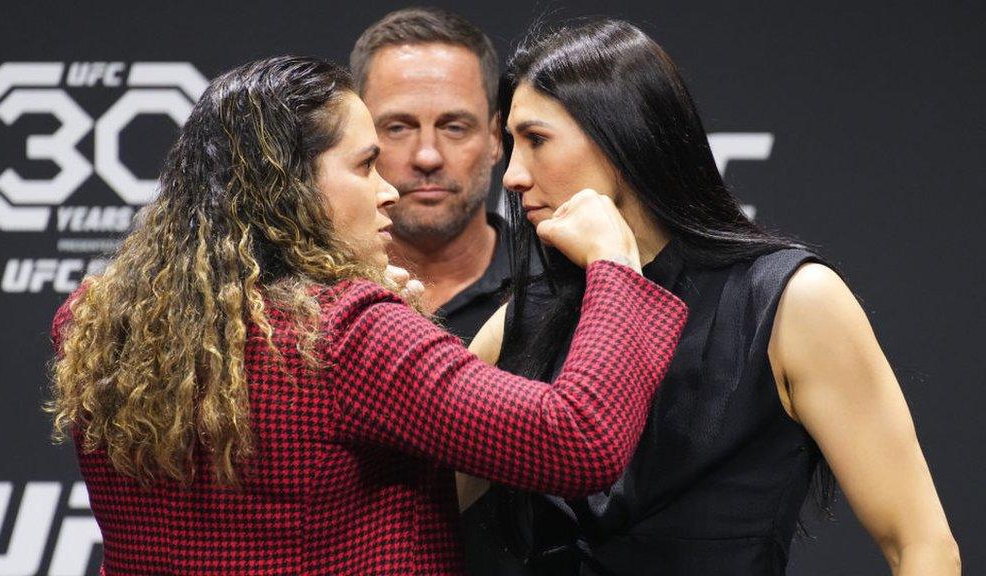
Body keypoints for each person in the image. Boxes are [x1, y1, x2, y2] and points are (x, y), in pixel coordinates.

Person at [46, 55, 688, 575]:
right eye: (364, 166)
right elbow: (576, 441)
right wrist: (614, 267)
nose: (388, 190)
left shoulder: (98, 320)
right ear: (288, 186)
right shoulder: (347, 333)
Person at [462, 19, 960, 576]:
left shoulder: (791, 302)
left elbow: (919, 545)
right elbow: (416, 503)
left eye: (535, 139)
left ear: (620, 136)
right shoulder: (526, 319)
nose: (512, 175)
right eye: (510, 145)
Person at [350, 7, 511, 344]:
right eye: (398, 128)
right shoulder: (308, 302)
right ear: (357, 138)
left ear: (495, 137)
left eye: (454, 127)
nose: (427, 156)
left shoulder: (557, 290)